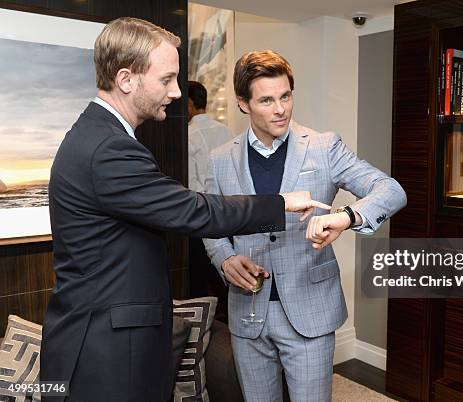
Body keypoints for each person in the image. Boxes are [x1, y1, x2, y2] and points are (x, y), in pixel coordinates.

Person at [39, 19, 328, 402]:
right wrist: (282, 202)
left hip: (103, 342)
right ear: (126, 79)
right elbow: (193, 210)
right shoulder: (107, 148)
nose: (176, 92)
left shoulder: (98, 135)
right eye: (166, 79)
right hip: (105, 354)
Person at [203, 50, 407, 402]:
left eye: (285, 96)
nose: (280, 108)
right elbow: (211, 222)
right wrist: (224, 258)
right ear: (243, 104)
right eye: (266, 100)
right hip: (247, 311)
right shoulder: (220, 159)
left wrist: (345, 217)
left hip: (309, 311)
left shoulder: (325, 147)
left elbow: (391, 190)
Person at [187, 81, 232, 315]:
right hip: (229, 212)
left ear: (189, 104)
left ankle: (202, 324)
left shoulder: (188, 135)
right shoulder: (226, 130)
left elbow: (192, 185)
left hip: (202, 212)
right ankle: (226, 317)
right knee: (225, 270)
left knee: (198, 276)